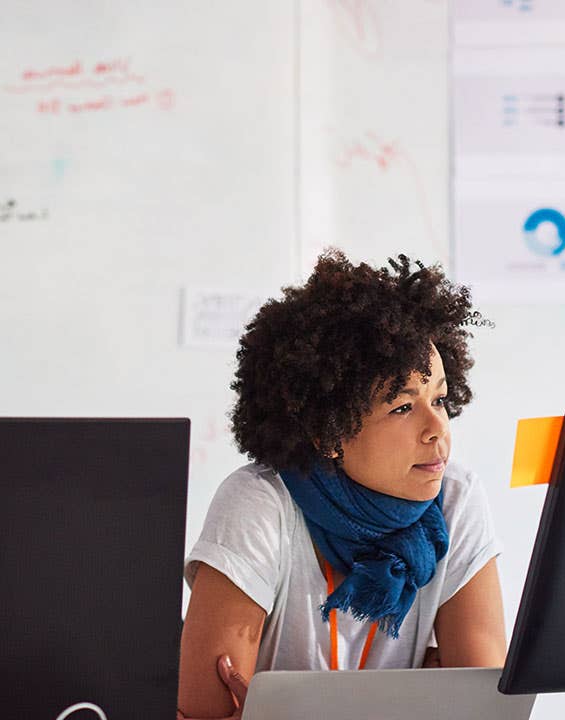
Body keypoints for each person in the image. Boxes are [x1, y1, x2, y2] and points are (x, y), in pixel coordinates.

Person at [177, 250, 506, 719]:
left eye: (440, 399)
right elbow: (204, 715)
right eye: (402, 407)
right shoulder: (259, 504)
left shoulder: (456, 499)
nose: (438, 428)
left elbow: (485, 712)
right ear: (328, 433)